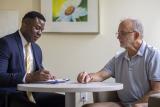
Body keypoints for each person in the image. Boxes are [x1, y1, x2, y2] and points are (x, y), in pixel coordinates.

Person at [77, 18, 160, 107]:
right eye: (118, 33)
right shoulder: (119, 58)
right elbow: (100, 75)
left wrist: (135, 105)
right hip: (123, 104)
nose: (118, 37)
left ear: (136, 35)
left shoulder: (153, 55)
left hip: (143, 104)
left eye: (123, 33)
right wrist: (87, 77)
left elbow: (157, 90)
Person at [0, 11, 65, 107]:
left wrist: (46, 77)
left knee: (64, 101)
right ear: (25, 24)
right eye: (37, 28)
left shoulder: (37, 49)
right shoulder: (6, 43)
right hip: (12, 95)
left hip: (34, 94)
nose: (40, 33)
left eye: (42, 30)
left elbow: (38, 73)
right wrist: (29, 77)